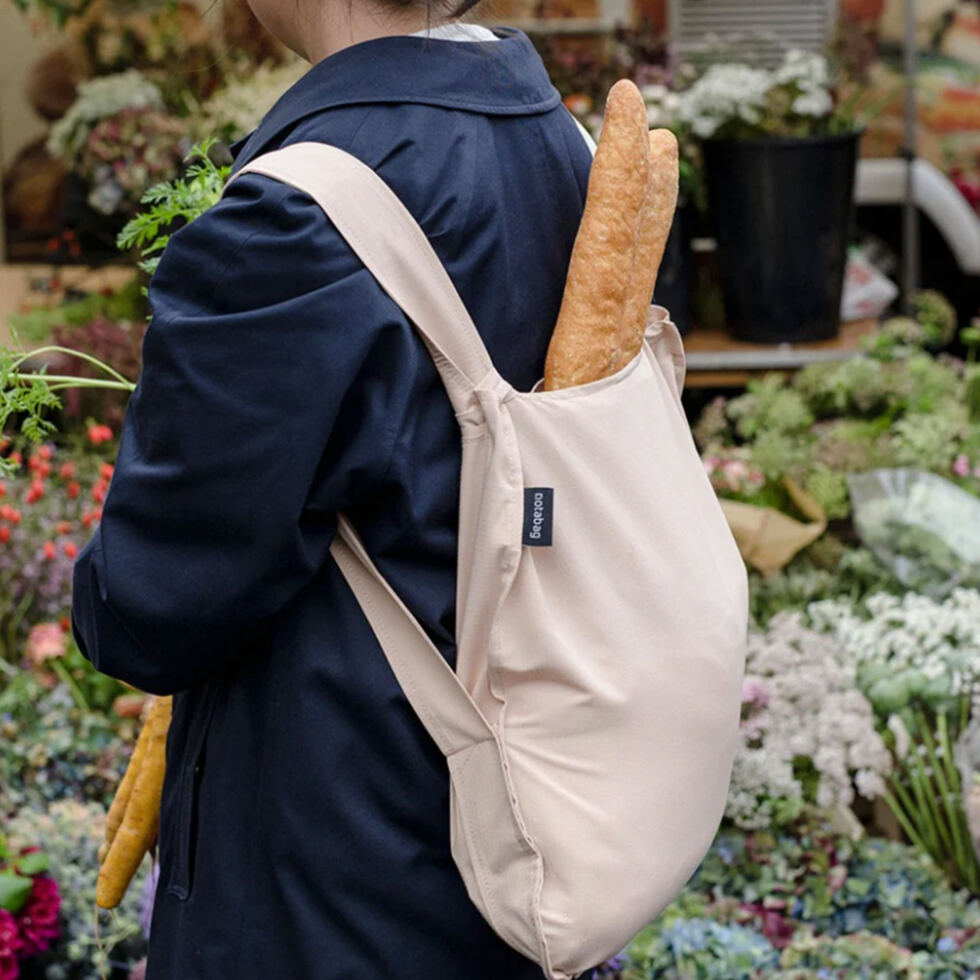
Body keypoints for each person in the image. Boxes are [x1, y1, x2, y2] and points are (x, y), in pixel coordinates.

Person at [69, 0, 594, 977]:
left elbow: (147, 604)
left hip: (327, 865)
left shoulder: (290, 216)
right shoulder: (555, 139)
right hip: (514, 816)